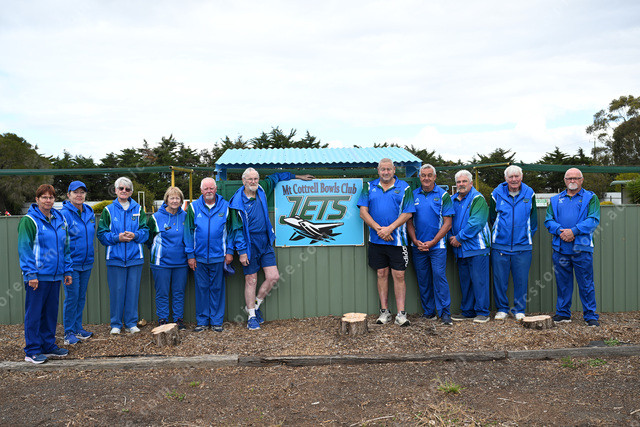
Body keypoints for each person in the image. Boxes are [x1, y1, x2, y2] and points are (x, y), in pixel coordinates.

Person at [228, 168, 314, 330]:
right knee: (251, 279)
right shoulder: (236, 202)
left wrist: (299, 176)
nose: (253, 182)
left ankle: (254, 306)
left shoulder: (262, 189)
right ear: (243, 181)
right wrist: (242, 251)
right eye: (250, 179)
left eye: (255, 178)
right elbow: (236, 229)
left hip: (265, 241)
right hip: (249, 243)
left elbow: (277, 177)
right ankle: (252, 317)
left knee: (273, 277)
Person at [18, 184, 73, 364]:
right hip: (37, 277)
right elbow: (24, 249)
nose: (48, 200)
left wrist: (67, 270)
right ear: (37, 199)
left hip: (56, 276)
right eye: (44, 197)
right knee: (34, 315)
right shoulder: (29, 220)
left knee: (50, 314)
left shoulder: (60, 219)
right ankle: (32, 350)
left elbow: (65, 247)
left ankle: (48, 345)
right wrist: (31, 274)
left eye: (51, 197)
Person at [357, 158, 415, 326]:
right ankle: (384, 312)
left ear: (394, 170)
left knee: (399, 275)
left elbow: (408, 213)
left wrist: (389, 229)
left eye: (389, 169)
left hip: (398, 241)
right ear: (378, 171)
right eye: (383, 169)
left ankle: (401, 314)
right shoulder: (369, 187)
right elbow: (363, 212)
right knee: (381, 273)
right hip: (376, 241)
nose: (386, 172)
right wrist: (380, 230)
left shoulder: (405, 188)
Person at [544, 168, 600, 327]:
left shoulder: (591, 198)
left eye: (576, 178)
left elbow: (593, 219)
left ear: (582, 180)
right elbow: (548, 220)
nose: (572, 181)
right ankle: (563, 314)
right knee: (563, 283)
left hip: (582, 249)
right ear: (564, 180)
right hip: (560, 248)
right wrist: (560, 231)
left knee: (586, 283)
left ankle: (590, 315)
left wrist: (573, 231)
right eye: (569, 178)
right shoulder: (555, 199)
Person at [97, 177, 149, 335]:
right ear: (115, 190)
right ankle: (116, 324)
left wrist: (135, 235)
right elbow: (101, 234)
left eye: (127, 189)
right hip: (115, 258)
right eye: (121, 188)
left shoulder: (138, 209)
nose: (124, 191)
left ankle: (131, 323)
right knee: (117, 292)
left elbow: (145, 231)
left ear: (131, 192)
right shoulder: (108, 210)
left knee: (132, 292)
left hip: (135, 258)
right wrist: (116, 238)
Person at [407, 164, 454, 326]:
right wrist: (415, 241)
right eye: (423, 175)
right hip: (418, 246)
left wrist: (433, 241)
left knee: (439, 277)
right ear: (419, 177)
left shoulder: (443, 196)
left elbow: (448, 223)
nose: (426, 178)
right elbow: (409, 221)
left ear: (434, 177)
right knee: (423, 279)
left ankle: (445, 313)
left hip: (437, 246)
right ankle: (429, 312)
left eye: (429, 175)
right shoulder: (412, 195)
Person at [489, 166, 537, 321]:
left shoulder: (530, 194)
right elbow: (492, 218)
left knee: (521, 280)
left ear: (521, 177)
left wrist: (524, 236)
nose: (514, 179)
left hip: (522, 246)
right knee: (499, 280)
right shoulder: (496, 194)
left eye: (517, 176)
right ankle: (502, 309)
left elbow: (533, 220)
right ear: (506, 179)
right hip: (500, 246)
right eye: (511, 177)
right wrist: (501, 234)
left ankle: (519, 310)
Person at [185, 178, 231, 332]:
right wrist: (190, 255)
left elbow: (231, 232)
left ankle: (217, 321)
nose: (209, 191)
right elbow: (188, 232)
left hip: (219, 256)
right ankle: (202, 321)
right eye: (206, 188)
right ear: (201, 190)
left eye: (211, 188)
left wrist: (230, 251)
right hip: (199, 257)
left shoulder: (226, 206)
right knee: (202, 289)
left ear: (216, 189)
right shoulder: (193, 207)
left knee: (217, 288)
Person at [449, 170, 491, 323]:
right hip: (460, 249)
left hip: (477, 247)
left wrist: (459, 238)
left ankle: (483, 312)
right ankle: (468, 311)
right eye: (458, 182)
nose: (461, 184)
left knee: (479, 281)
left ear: (471, 183)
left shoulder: (477, 198)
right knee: (465, 282)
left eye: (464, 181)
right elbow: (447, 221)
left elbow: (476, 223)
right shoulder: (452, 199)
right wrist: (451, 237)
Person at [60, 181, 96, 345]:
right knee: (71, 298)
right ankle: (68, 333)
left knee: (81, 297)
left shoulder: (89, 212)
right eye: (75, 192)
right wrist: (66, 266)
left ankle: (77, 328)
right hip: (71, 265)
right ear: (69, 195)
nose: (79, 195)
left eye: (82, 192)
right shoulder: (63, 214)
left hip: (86, 262)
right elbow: (61, 241)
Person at [148, 186, 189, 330]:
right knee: (162, 292)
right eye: (172, 198)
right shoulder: (156, 217)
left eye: (178, 198)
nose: (175, 201)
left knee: (179, 292)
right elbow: (149, 239)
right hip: (161, 262)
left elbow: (190, 237)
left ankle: (178, 319)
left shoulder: (186, 216)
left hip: (181, 262)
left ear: (181, 201)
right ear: (166, 200)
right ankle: (163, 320)